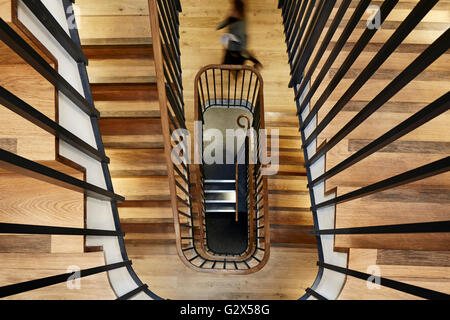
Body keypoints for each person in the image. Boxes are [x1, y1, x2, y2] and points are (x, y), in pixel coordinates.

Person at [217, 0, 262, 68]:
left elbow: (241, 42)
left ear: (238, 13)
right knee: (230, 54)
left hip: (239, 46)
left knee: (242, 56)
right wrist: (220, 26)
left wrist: (229, 38)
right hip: (233, 42)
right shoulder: (234, 17)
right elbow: (226, 22)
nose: (230, 11)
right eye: (231, 9)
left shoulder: (240, 27)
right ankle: (225, 63)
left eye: (233, 10)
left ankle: (255, 62)